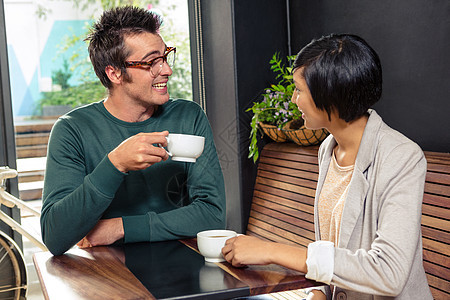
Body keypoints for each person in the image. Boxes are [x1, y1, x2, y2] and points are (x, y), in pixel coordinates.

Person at [222, 34, 432, 299]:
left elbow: (389, 272)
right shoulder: (328, 148)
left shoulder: (401, 157)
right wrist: (319, 292)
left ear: (330, 96)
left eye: (299, 90)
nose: (294, 100)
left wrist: (272, 251)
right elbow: (335, 244)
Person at [40, 6, 226, 256]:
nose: (167, 70)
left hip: (186, 267)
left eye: (165, 57)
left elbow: (212, 214)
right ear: (114, 72)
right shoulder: (72, 130)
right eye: (151, 62)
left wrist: (122, 227)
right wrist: (114, 164)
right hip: (109, 277)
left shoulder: (189, 116)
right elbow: (56, 236)